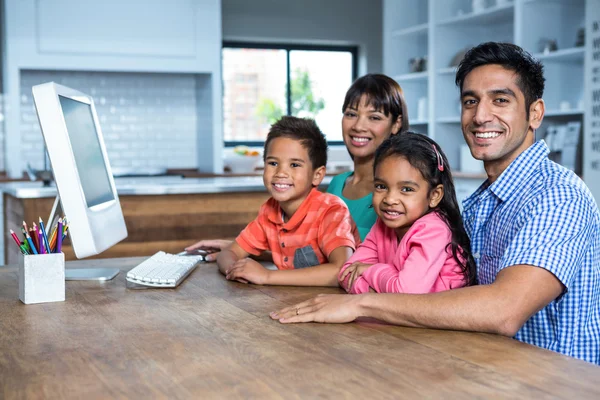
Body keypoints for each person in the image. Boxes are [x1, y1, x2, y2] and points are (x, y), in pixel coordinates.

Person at [270, 42, 600, 365]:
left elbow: (504, 310)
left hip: (553, 384)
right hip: (482, 367)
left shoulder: (557, 196)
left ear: (535, 113)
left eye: (500, 100)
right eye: (470, 101)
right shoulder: (479, 203)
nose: (480, 116)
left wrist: (363, 304)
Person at [185, 74, 409, 260]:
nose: (359, 126)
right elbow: (310, 250)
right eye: (351, 114)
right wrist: (240, 248)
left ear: (396, 124)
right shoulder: (338, 184)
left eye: (374, 117)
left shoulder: (396, 193)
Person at [216, 116, 358, 286]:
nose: (281, 173)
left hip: (342, 302)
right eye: (273, 163)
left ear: (317, 175)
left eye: (295, 165)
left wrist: (267, 276)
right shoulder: (269, 212)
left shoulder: (331, 210)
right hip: (292, 300)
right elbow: (229, 252)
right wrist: (236, 269)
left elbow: (342, 272)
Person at [338, 133, 476, 294]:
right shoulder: (382, 226)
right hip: (396, 315)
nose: (390, 199)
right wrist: (376, 295)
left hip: (437, 317)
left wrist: (370, 270)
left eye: (406, 189)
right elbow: (346, 274)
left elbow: (406, 292)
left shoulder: (433, 230)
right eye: (381, 186)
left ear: (434, 195)